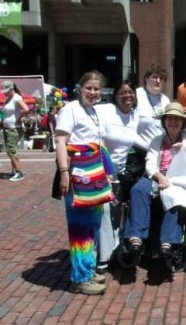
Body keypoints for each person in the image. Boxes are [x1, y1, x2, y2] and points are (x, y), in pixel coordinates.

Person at [55, 70, 112, 295]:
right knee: (80, 227)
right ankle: (80, 278)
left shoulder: (93, 111)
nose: (92, 92)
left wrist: (105, 171)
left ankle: (88, 268)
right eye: (89, 88)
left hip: (94, 175)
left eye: (96, 89)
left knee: (92, 226)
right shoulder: (70, 110)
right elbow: (61, 141)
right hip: (78, 175)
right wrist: (63, 173)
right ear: (80, 88)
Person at [123, 102, 186, 257]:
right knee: (138, 189)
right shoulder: (157, 140)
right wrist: (159, 177)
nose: (173, 122)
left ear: (183, 122)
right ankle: (136, 237)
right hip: (157, 175)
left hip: (179, 178)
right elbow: (150, 163)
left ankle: (168, 240)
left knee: (173, 194)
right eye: (169, 119)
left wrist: (184, 149)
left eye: (177, 119)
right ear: (164, 121)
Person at [96, 80, 139, 274]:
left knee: (115, 213)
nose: (127, 95)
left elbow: (144, 139)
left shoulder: (134, 117)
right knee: (103, 214)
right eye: (123, 92)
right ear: (115, 95)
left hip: (120, 173)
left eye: (130, 92)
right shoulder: (106, 111)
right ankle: (101, 257)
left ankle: (111, 250)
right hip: (101, 172)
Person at [135, 63, 171, 151]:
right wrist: (148, 148)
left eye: (161, 79)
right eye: (154, 77)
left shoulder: (165, 100)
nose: (158, 81)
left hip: (161, 151)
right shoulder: (136, 95)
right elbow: (129, 129)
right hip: (141, 151)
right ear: (146, 79)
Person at [1, 80, 30, 181]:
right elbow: (5, 113)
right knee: (10, 151)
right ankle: (14, 170)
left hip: (14, 128)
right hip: (7, 128)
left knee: (12, 150)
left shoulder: (16, 98)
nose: (4, 92)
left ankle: (19, 173)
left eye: (6, 90)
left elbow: (26, 109)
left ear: (12, 89)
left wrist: (18, 120)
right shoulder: (8, 99)